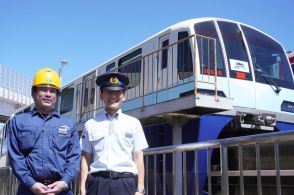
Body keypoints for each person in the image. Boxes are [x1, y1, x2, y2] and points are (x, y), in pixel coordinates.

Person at [8, 68, 81, 195]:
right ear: (33, 93)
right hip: (29, 190)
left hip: (61, 190)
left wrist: (64, 182)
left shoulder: (68, 123)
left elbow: (74, 157)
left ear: (57, 96)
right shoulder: (18, 122)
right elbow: (15, 157)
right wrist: (31, 184)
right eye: (43, 89)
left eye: (53, 91)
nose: (48, 94)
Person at [80, 72, 148, 195]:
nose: (113, 96)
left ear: (124, 96)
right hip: (97, 183)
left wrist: (140, 189)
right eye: (108, 92)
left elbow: (138, 157)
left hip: (125, 183)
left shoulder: (134, 123)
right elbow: (86, 158)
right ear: (101, 95)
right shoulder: (90, 124)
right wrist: (82, 189)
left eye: (117, 92)